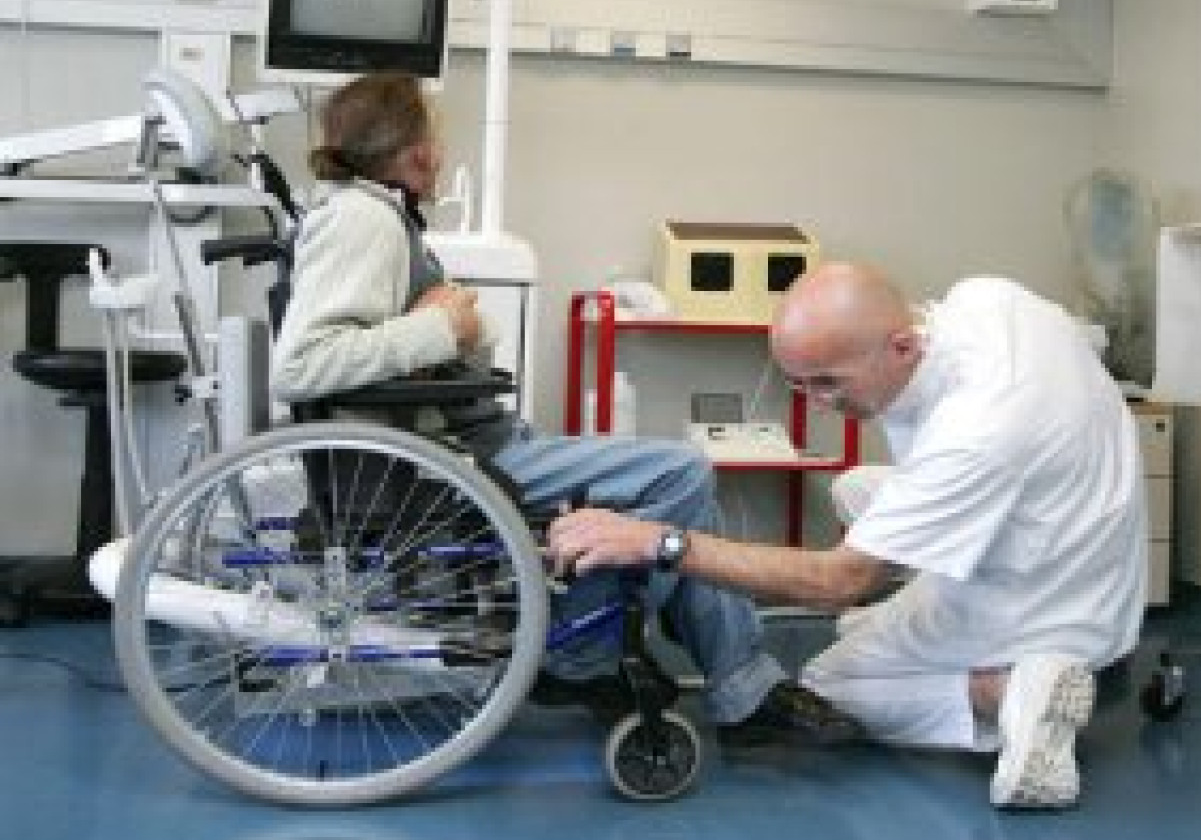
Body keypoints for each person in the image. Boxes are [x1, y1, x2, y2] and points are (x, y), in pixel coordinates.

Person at [270, 72, 855, 746]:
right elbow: (302, 365)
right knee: (680, 474)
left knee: (680, 497)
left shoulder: (374, 215)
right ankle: (578, 657)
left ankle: (742, 685)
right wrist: (443, 329)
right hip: (457, 460)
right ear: (418, 150)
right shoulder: (362, 218)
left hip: (463, 442)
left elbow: (391, 338)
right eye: (434, 136)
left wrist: (452, 324)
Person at [548, 262, 1147, 808]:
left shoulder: (974, 433)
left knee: (827, 681)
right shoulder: (987, 299)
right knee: (856, 488)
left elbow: (837, 582)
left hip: (1045, 600)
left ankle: (1006, 688)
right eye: (799, 385)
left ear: (903, 346)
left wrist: (661, 542)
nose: (820, 403)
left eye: (830, 383)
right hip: (1089, 542)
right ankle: (931, 632)